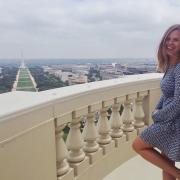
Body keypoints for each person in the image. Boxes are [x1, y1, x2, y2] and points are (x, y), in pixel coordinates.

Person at [132, 24, 180, 180]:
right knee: (166, 164)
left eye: (176, 40)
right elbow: (167, 94)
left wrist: (159, 116)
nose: (170, 43)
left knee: (138, 145)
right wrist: (157, 109)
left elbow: (179, 102)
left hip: (173, 123)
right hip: (169, 119)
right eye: (168, 39)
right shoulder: (171, 65)